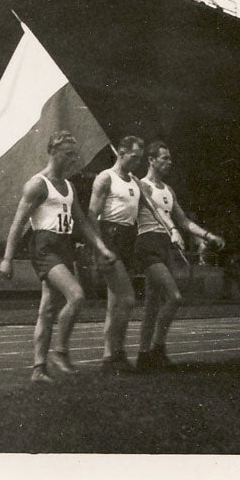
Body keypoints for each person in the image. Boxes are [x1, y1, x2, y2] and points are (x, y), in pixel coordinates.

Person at [0, 131, 117, 384]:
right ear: (53, 152)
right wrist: (7, 258)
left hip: (63, 246)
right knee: (76, 295)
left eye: (74, 155)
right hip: (44, 246)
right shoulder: (37, 185)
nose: (73, 160)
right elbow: (18, 223)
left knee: (48, 309)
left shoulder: (69, 186)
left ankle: (38, 369)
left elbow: (81, 222)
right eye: (67, 154)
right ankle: (60, 352)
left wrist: (101, 248)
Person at [134, 141, 225, 370]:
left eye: (170, 158)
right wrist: (174, 230)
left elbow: (183, 220)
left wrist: (208, 235)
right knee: (174, 297)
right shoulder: (142, 186)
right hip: (148, 242)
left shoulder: (168, 190)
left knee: (152, 304)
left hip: (166, 246)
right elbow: (158, 215)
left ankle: (144, 356)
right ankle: (157, 348)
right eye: (164, 158)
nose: (169, 162)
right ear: (151, 160)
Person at [87, 135, 144, 374]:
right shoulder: (105, 178)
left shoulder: (136, 182)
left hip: (128, 238)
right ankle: (117, 353)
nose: (137, 162)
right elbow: (92, 215)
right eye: (134, 157)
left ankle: (108, 357)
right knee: (127, 299)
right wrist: (100, 248)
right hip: (110, 236)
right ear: (121, 153)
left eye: (140, 159)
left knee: (114, 304)